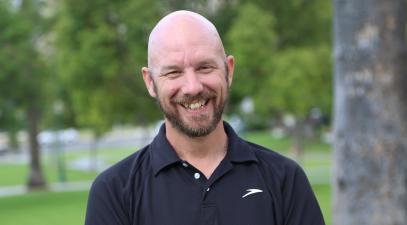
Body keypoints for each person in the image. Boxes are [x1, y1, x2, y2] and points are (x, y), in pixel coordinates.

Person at [85, 10, 325, 225]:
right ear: (150, 82)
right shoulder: (115, 191)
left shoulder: (284, 180)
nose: (192, 87)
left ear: (228, 70)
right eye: (174, 72)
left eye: (204, 68)